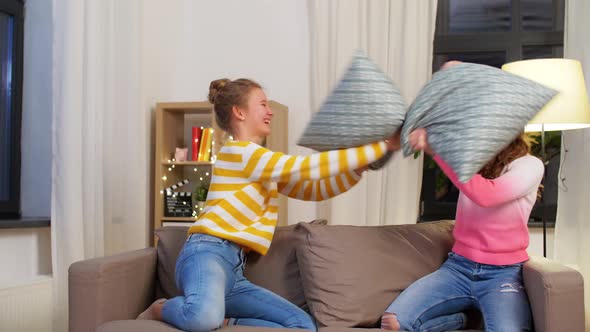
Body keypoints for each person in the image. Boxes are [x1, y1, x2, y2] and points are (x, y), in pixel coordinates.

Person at [139, 78, 401, 332]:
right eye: (263, 104)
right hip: (207, 254)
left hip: (234, 270)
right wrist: (377, 147)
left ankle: (225, 321)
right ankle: (161, 309)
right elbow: (304, 168)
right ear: (239, 112)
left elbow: (317, 190)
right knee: (202, 318)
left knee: (303, 325)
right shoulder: (238, 153)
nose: (270, 112)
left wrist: (359, 168)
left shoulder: (263, 168)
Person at [380, 126, 543, 332]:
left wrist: (437, 150)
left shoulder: (530, 165)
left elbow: (487, 195)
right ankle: (464, 320)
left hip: (502, 276)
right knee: (393, 323)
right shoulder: (473, 162)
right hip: (458, 269)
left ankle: (472, 317)